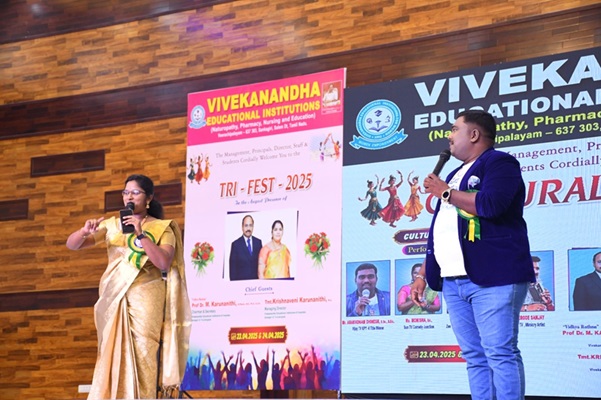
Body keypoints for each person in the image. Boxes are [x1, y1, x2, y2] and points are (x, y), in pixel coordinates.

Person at [411, 110, 535, 400]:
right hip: (453, 281)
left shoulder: (500, 162)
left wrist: (445, 192)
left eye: (455, 129)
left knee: (500, 353)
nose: (450, 136)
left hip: (494, 277)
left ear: (475, 134)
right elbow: (443, 230)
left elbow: (491, 205)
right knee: (474, 356)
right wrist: (422, 275)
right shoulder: (454, 174)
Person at [66, 174, 191, 399]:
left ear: (149, 198)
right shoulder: (112, 225)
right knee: (111, 353)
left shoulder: (163, 228)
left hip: (146, 299)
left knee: (143, 353)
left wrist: (140, 234)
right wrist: (84, 232)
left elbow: (163, 262)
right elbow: (72, 245)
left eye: (135, 192)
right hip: (114, 298)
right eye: (125, 193)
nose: (129, 197)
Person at [229, 215, 262, 280]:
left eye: (250, 225)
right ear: (242, 227)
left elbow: (261, 265)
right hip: (241, 284)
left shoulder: (258, 243)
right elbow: (232, 271)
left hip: (256, 284)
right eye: (246, 225)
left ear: (253, 227)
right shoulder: (236, 245)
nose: (248, 228)